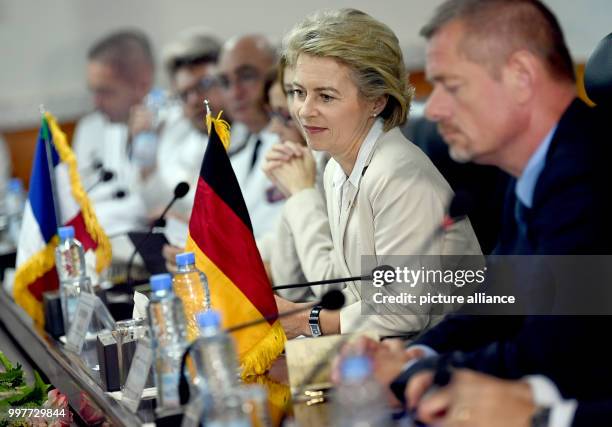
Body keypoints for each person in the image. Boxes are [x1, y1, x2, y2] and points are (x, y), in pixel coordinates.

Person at [353, 1, 612, 424]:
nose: (433, 110)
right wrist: (420, 352)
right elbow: (499, 298)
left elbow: (559, 351)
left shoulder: (590, 171)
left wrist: (417, 374)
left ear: (521, 77)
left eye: (450, 86)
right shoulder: (534, 168)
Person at [267, 9, 481, 339]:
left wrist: (306, 320)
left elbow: (402, 312)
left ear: (377, 101)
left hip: (450, 357)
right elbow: (340, 285)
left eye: (325, 96)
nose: (304, 110)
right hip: (385, 351)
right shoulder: (336, 167)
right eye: (298, 92)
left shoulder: (398, 175)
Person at [133, 29, 224, 239]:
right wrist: (146, 152)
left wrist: (193, 221)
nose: (194, 100)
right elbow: (155, 201)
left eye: (204, 85)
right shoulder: (182, 132)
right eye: (184, 94)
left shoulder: (248, 134)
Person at [73, 30, 153, 237]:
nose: (96, 102)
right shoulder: (89, 127)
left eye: (105, 92)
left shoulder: (173, 124)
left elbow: (153, 206)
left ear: (142, 85)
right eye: (93, 91)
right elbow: (82, 198)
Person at [217, 34, 284, 240]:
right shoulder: (236, 156)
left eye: (246, 76)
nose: (235, 92)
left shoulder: (301, 144)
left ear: (278, 75)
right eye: (226, 82)